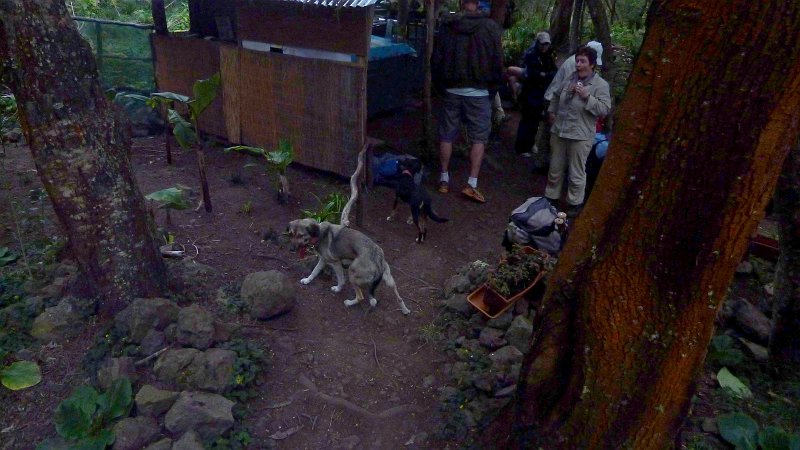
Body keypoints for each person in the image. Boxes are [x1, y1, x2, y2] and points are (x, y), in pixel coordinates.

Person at [431, 0, 504, 203]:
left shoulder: (448, 26)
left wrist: (441, 87)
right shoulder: (490, 28)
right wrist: (492, 90)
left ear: (462, 3)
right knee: (479, 137)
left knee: (447, 134)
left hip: (452, 89)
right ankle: (471, 183)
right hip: (479, 92)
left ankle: (444, 179)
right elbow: (498, 61)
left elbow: (435, 59)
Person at [545, 45, 611, 218]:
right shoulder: (570, 78)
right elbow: (557, 95)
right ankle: (551, 197)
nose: (578, 65)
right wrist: (552, 112)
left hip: (580, 135)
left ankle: (575, 203)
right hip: (560, 130)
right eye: (577, 61)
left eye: (583, 62)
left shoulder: (600, 85)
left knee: (577, 171)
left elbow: (604, 109)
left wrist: (587, 97)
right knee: (555, 167)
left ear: (592, 65)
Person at [506, 31, 557, 158]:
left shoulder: (548, 56)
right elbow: (533, 74)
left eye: (546, 44)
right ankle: (521, 147)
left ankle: (530, 144)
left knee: (535, 121)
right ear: (538, 43)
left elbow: (553, 73)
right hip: (530, 92)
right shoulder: (531, 55)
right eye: (542, 44)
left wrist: (545, 75)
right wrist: (543, 75)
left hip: (541, 93)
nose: (544, 47)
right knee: (527, 120)